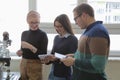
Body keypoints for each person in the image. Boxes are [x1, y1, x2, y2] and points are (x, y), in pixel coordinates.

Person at [61, 3, 110, 80]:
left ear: (84, 15)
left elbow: (98, 65)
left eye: (75, 19)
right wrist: (74, 56)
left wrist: (74, 61)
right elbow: (87, 55)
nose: (76, 22)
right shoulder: (89, 30)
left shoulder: (98, 32)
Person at [16, 10, 48, 80]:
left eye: (36, 22)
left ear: (39, 21)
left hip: (35, 65)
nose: (34, 25)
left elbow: (43, 55)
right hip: (23, 63)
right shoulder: (24, 33)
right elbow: (22, 50)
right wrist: (20, 52)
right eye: (31, 22)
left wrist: (30, 46)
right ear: (27, 21)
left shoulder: (42, 35)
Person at [46, 14, 78, 80]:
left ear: (66, 25)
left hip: (64, 73)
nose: (57, 29)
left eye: (60, 26)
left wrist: (56, 57)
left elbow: (71, 57)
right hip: (53, 71)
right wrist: (47, 60)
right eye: (56, 26)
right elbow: (53, 54)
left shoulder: (72, 39)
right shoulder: (56, 38)